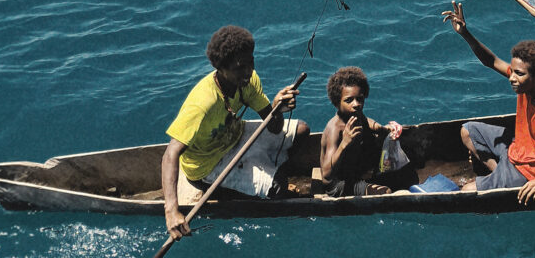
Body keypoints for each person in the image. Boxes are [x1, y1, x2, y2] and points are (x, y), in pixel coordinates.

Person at [161, 25, 310, 240]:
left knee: (302, 130)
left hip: (236, 137)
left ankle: (263, 172)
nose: (248, 71)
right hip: (208, 165)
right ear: (221, 68)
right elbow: (170, 154)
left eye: (251, 62)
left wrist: (277, 109)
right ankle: (231, 190)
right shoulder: (202, 104)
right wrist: (171, 211)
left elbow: (274, 127)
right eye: (240, 67)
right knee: (278, 188)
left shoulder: (248, 80)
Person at [441, 1, 535, 205]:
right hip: (517, 150)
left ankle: (506, 180)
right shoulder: (527, 85)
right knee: (468, 131)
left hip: (533, 170)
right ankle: (501, 175)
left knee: (467, 192)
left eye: (519, 74)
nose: (512, 78)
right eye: (512, 72)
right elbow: (491, 61)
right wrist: (465, 33)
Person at [319, 66, 416, 196]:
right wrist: (344, 144)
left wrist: (381, 128)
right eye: (349, 100)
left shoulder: (355, 115)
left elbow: (366, 120)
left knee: (406, 173)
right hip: (338, 185)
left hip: (354, 172)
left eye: (359, 99)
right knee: (385, 192)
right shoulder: (335, 129)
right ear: (337, 102)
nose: (356, 104)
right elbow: (326, 176)